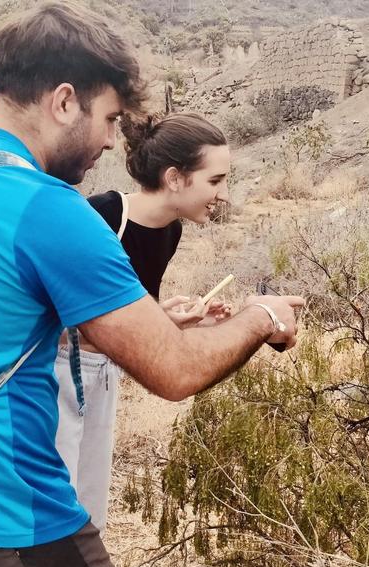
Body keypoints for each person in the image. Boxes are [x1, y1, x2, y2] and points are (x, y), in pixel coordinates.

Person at [0, 3, 303, 567]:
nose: (112, 141)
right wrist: (259, 316)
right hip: (9, 519)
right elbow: (174, 372)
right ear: (63, 102)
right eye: (108, 118)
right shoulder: (51, 209)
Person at [55, 112, 232, 535]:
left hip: (105, 374)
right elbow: (53, 314)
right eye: (215, 180)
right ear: (174, 178)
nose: (223, 194)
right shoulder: (103, 214)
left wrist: (170, 320)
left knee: (89, 501)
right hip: (58, 375)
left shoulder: (170, 231)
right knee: (57, 497)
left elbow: (130, 310)